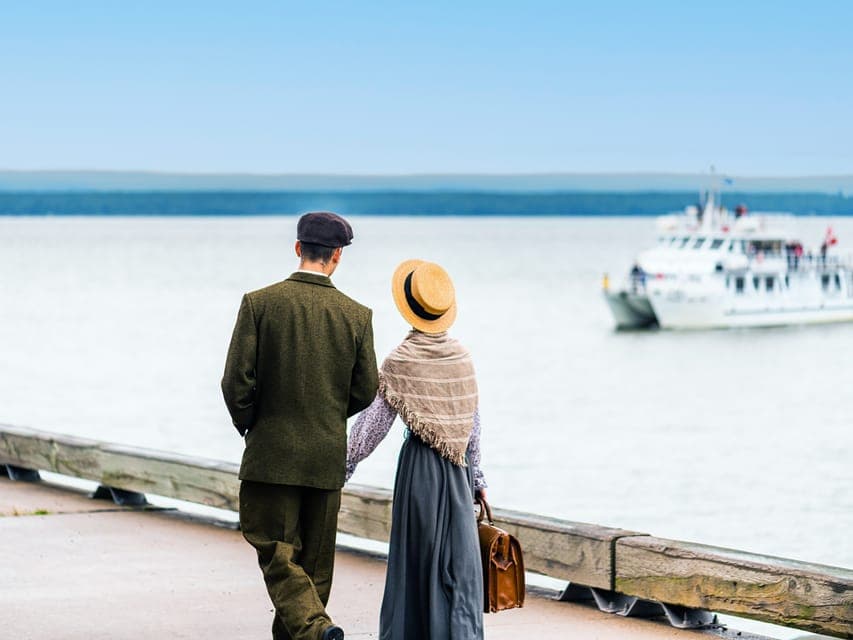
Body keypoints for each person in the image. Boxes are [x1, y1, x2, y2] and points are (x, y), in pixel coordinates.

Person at [221, 211, 379, 640]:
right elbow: (366, 391)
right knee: (314, 568)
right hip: (325, 456)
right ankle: (316, 629)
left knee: (275, 552)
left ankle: (314, 630)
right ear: (337, 257)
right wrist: (326, 415)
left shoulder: (259, 303)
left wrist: (254, 425)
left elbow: (236, 383)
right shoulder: (356, 315)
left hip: (270, 455)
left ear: (297, 249)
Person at [346, 259, 486, 640]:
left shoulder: (400, 360)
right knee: (458, 568)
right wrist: (478, 479)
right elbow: (471, 425)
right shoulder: (462, 359)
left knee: (418, 564)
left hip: (421, 470)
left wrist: (342, 465)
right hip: (458, 474)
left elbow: (372, 427)